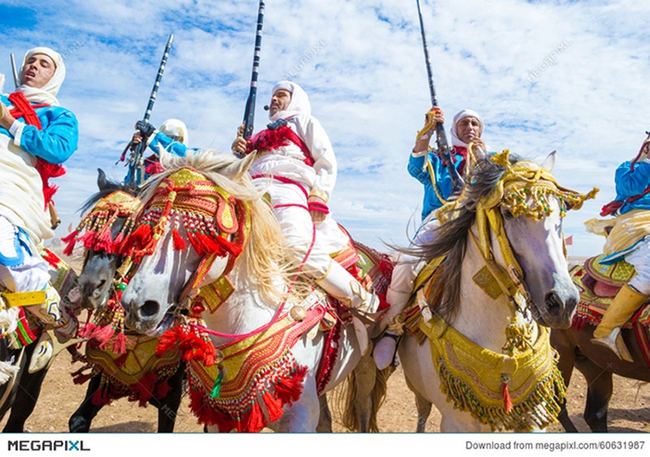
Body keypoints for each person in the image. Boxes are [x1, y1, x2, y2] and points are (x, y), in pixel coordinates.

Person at [231, 81, 379, 355]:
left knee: (296, 246)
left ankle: (362, 301)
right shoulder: (259, 136)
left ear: (295, 99)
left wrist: (319, 195)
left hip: (288, 191)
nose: (274, 100)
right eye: (272, 96)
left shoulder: (305, 122)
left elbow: (326, 160)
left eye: (281, 95)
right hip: (251, 194)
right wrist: (241, 151)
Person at [373, 108, 489, 369]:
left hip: (480, 220)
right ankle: (392, 329)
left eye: (474, 123)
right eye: (463, 123)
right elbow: (416, 168)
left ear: (480, 130)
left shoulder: (492, 159)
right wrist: (426, 130)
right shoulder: (440, 158)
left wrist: (483, 160)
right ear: (454, 129)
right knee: (406, 265)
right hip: (441, 219)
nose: (469, 127)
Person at [0, 47, 79, 371]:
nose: (33, 66)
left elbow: (59, 149)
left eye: (43, 63)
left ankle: (44, 298)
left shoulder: (60, 116)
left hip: (13, 190)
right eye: (31, 60)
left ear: (55, 76)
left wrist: (10, 124)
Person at [590, 133, 650, 362]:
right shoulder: (628, 168)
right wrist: (648, 162)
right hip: (634, 224)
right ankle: (606, 329)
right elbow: (630, 188)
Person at [124, 118, 192, 184]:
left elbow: (190, 154)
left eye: (176, 139)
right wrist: (136, 154)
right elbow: (130, 185)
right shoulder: (147, 167)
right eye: (166, 137)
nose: (169, 142)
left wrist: (152, 135)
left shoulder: (193, 165)